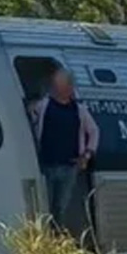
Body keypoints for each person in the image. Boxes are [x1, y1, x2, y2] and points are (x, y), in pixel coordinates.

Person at [31, 68, 100, 236]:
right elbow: (32, 117)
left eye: (61, 86)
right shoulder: (44, 105)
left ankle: (58, 238)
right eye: (56, 85)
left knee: (61, 207)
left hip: (69, 166)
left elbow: (94, 131)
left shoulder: (79, 110)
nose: (58, 89)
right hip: (47, 165)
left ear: (69, 88)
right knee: (44, 206)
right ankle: (46, 239)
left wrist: (87, 154)